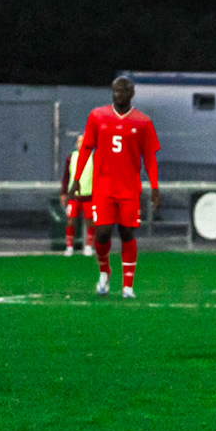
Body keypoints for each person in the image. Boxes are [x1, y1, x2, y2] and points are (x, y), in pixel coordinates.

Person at [70, 77, 162, 297]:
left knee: (127, 232)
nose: (117, 93)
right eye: (114, 89)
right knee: (102, 233)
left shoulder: (142, 122)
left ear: (131, 93)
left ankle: (128, 286)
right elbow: (86, 149)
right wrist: (77, 179)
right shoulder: (97, 116)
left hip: (129, 188)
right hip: (103, 187)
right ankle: (104, 272)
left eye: (122, 90)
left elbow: (149, 157)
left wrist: (155, 186)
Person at [59, 132, 96, 257]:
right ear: (76, 144)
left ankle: (88, 246)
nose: (82, 144)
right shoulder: (72, 157)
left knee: (90, 221)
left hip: (89, 195)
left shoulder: (93, 157)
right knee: (70, 220)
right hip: (74, 196)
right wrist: (64, 192)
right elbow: (66, 176)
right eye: (80, 141)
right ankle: (69, 246)